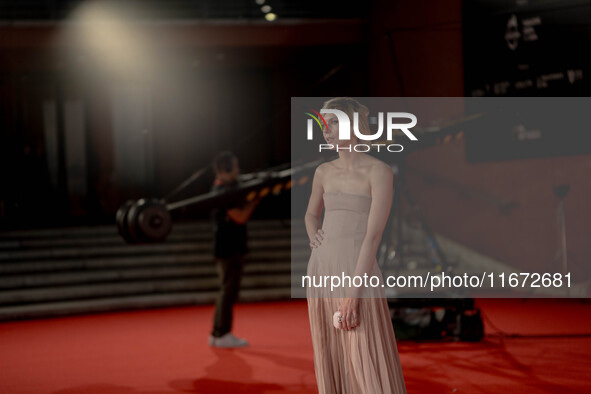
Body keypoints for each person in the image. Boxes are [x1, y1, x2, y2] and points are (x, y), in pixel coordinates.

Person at [305, 98, 406, 393]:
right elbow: (311, 214)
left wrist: (353, 295)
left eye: (334, 122)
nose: (327, 130)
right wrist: (315, 238)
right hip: (322, 270)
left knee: (366, 356)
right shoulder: (323, 171)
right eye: (324, 124)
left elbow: (373, 237)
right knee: (331, 352)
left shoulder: (380, 172)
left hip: (357, 271)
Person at [208, 151, 260, 348]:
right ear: (225, 169)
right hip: (228, 247)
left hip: (228, 246)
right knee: (228, 291)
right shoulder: (222, 191)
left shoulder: (224, 188)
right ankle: (222, 332)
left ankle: (218, 332)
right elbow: (239, 217)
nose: (238, 171)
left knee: (227, 290)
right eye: (235, 166)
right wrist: (253, 202)